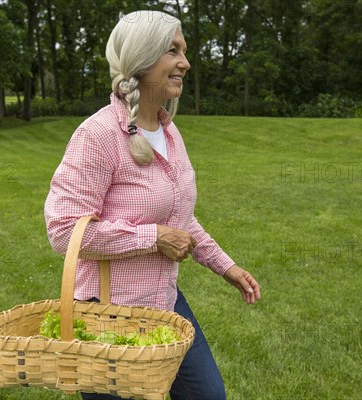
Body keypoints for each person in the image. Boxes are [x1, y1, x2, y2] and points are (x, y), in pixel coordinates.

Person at [44, 10, 261, 400]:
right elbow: (64, 231)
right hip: (107, 316)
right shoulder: (96, 135)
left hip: (165, 302)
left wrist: (225, 266)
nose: (185, 63)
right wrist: (153, 238)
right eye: (173, 51)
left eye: (185, 51)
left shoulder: (169, 131)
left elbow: (179, 218)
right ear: (142, 60)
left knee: (207, 396)